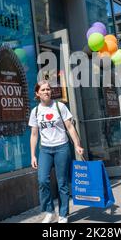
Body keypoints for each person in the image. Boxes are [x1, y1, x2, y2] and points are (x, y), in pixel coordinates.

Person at [29, 80, 84, 224]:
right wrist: (33, 155)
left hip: (62, 147)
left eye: (48, 89)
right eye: (43, 90)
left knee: (62, 183)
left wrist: (77, 145)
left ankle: (63, 214)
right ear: (37, 93)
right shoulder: (35, 112)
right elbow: (34, 135)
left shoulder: (60, 107)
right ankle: (49, 211)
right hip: (45, 150)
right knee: (42, 180)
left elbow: (70, 127)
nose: (47, 91)